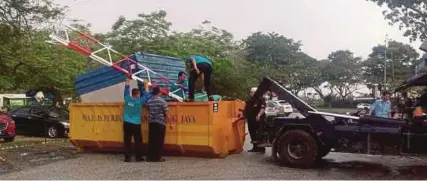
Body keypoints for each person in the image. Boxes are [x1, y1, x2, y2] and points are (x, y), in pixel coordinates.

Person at [123, 75, 151, 162]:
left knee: (127, 140)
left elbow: (126, 89)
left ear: (132, 94)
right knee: (138, 140)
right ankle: (138, 157)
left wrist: (128, 80)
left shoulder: (127, 99)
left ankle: (127, 157)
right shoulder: (140, 101)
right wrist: (146, 84)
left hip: (127, 122)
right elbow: (147, 95)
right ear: (138, 94)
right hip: (136, 123)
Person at [146, 86, 168, 162]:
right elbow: (165, 113)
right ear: (159, 92)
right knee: (159, 140)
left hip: (151, 122)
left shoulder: (149, 101)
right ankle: (157, 157)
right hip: (160, 122)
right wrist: (167, 121)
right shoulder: (162, 101)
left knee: (151, 140)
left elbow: (148, 109)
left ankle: (150, 157)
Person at [246, 87, 266, 153]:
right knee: (252, 133)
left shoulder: (261, 99)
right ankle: (255, 148)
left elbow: (263, 108)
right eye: (250, 92)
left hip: (258, 119)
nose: (251, 93)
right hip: (250, 119)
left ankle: (262, 149)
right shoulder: (250, 100)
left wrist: (259, 115)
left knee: (259, 133)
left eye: (252, 92)